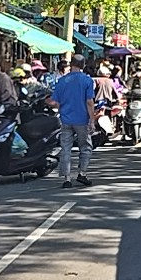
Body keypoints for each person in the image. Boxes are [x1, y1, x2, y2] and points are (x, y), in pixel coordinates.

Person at [51, 54, 95, 188]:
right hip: (82, 119)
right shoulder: (87, 81)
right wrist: (92, 120)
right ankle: (82, 173)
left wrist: (63, 110)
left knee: (65, 148)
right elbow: (89, 102)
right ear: (83, 65)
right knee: (85, 147)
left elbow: (55, 102)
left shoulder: (62, 81)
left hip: (65, 119)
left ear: (72, 64)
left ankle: (67, 178)